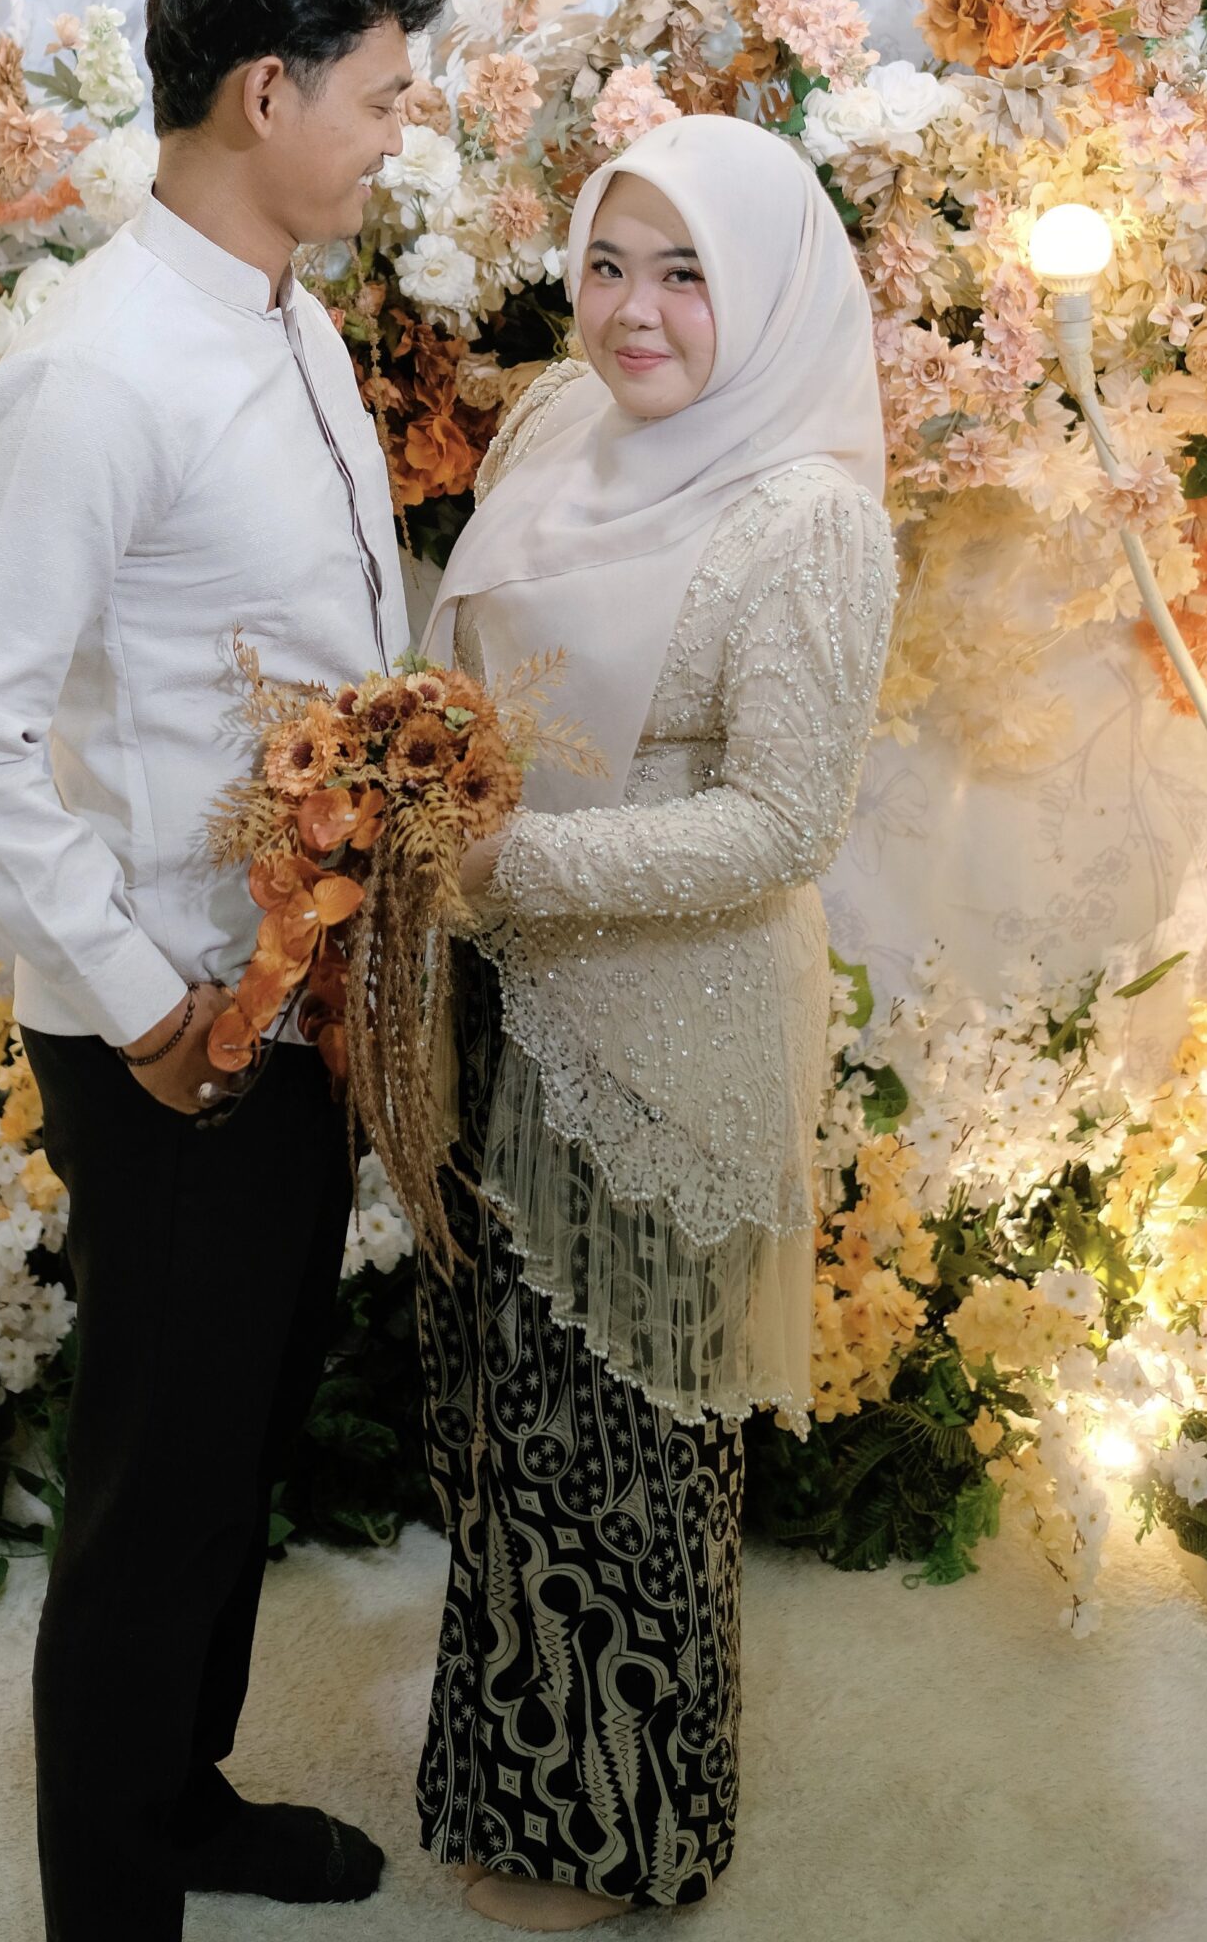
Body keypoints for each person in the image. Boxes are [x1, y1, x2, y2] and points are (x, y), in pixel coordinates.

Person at [0, 0, 446, 1942]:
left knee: (235, 1437)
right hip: (180, 1023)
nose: (400, 133)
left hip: (293, 992)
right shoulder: (97, 373)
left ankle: (176, 1796)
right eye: (379, 96)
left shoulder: (282, 314)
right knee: (154, 1481)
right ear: (265, 94)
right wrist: (145, 1005)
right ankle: (109, 1901)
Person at [415, 114, 895, 1931]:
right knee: (503, 1420)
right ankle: (512, 1784)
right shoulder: (557, 424)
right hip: (495, 993)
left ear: (765, 291)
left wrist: (504, 864)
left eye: (685, 273)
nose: (633, 312)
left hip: (663, 1035)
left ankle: (625, 1832)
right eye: (607, 265)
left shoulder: (808, 522)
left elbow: (780, 825)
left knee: (622, 1443)